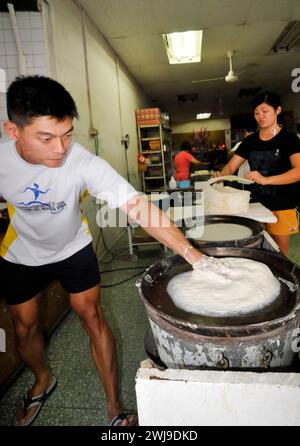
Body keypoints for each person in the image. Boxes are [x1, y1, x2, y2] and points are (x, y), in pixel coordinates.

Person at [0, 75, 226, 427]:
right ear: (13, 131)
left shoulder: (82, 162)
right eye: (46, 138)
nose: (60, 148)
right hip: (20, 254)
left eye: (67, 133)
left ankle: (113, 407)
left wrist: (192, 254)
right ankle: (43, 378)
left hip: (73, 247)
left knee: (92, 318)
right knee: (24, 328)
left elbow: (139, 207)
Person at [214, 91, 300, 255]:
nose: (260, 116)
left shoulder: (290, 139)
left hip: (282, 206)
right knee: (256, 251)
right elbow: (231, 167)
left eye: (265, 111)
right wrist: (221, 177)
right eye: (256, 112)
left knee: (279, 255)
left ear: (278, 110)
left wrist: (266, 180)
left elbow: (298, 171)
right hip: (255, 205)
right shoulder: (250, 141)